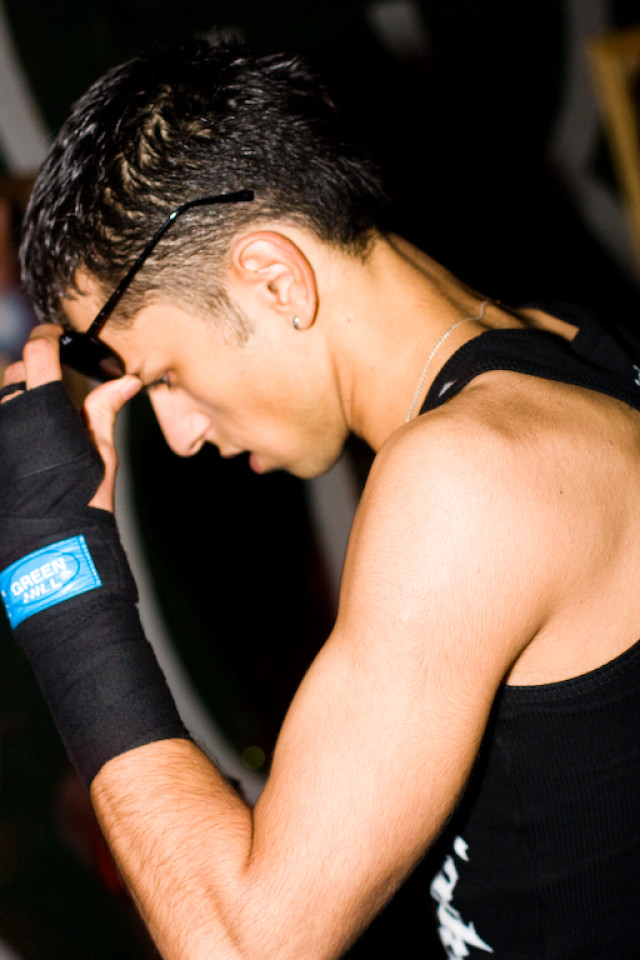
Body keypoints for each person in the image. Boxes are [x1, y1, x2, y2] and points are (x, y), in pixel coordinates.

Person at [1, 36, 640, 960]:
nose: (179, 434)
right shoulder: (576, 348)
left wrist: (53, 568)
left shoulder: (473, 481)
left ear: (275, 278)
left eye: (166, 375)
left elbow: (241, 947)